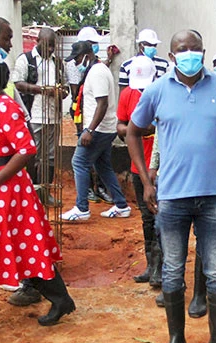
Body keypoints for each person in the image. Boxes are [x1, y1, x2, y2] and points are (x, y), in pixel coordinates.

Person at [126, 30, 216, 343]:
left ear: (203, 51)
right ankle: (176, 341)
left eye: (194, 48)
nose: (188, 53)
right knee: (172, 272)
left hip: (214, 196)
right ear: (171, 57)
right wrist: (145, 178)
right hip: (171, 198)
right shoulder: (156, 91)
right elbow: (132, 131)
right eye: (181, 49)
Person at [0, 44, 76, 343]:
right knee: (12, 249)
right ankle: (60, 299)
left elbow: (26, 150)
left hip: (1, 188)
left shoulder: (4, 106)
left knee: (4, 250)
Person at [61, 41, 131, 222]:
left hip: (99, 129)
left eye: (77, 59)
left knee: (79, 162)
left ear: (86, 55)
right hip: (104, 128)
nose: (76, 63)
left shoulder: (97, 72)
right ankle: (121, 205)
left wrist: (89, 130)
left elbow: (102, 103)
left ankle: (82, 207)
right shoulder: (97, 70)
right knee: (103, 166)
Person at [116, 56, 161, 286]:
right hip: (138, 165)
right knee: (146, 216)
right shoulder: (127, 95)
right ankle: (151, 266)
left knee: (163, 217)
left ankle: (162, 269)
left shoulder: (164, 94)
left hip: (162, 167)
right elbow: (120, 126)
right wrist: (134, 130)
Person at [12, 28, 68, 187]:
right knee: (32, 153)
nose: (50, 49)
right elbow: (18, 84)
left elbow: (65, 87)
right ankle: (31, 189)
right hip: (33, 115)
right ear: (38, 42)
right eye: (47, 45)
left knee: (50, 155)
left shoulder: (57, 62)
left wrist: (60, 92)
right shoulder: (26, 60)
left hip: (53, 116)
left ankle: (46, 189)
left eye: (52, 46)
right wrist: (43, 90)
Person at [118, 29, 170, 94]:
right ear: (140, 45)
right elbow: (123, 93)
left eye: (154, 45)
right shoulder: (127, 65)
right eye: (149, 45)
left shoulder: (164, 64)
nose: (152, 48)